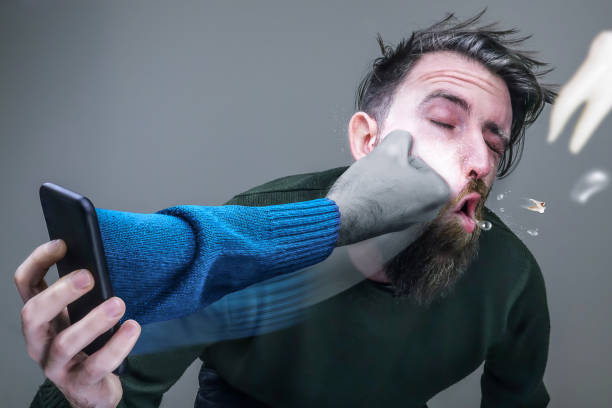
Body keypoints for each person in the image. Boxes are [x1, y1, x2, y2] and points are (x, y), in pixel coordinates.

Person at [23, 11, 556, 407]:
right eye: (444, 121)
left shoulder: (510, 277)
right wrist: (85, 402)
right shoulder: (245, 237)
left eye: (495, 143)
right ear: (369, 140)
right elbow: (114, 387)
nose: (478, 161)